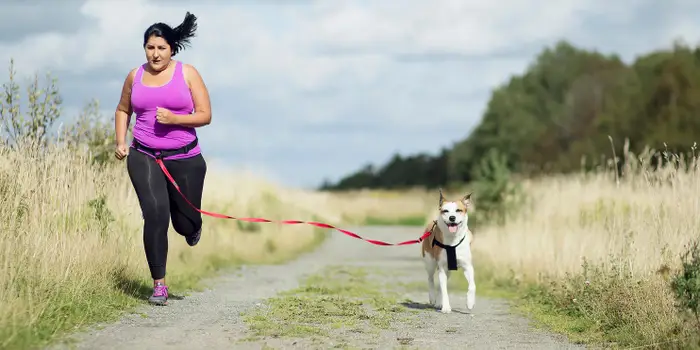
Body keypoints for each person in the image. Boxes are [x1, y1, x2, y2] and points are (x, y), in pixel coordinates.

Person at [113, 11, 212, 306]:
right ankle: (159, 285)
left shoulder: (188, 73)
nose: (155, 54)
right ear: (145, 48)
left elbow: (205, 115)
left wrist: (175, 118)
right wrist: (121, 141)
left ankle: (193, 226)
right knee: (156, 214)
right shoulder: (135, 75)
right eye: (150, 47)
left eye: (161, 48)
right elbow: (122, 109)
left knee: (184, 223)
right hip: (144, 154)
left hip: (185, 158)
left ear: (172, 49)